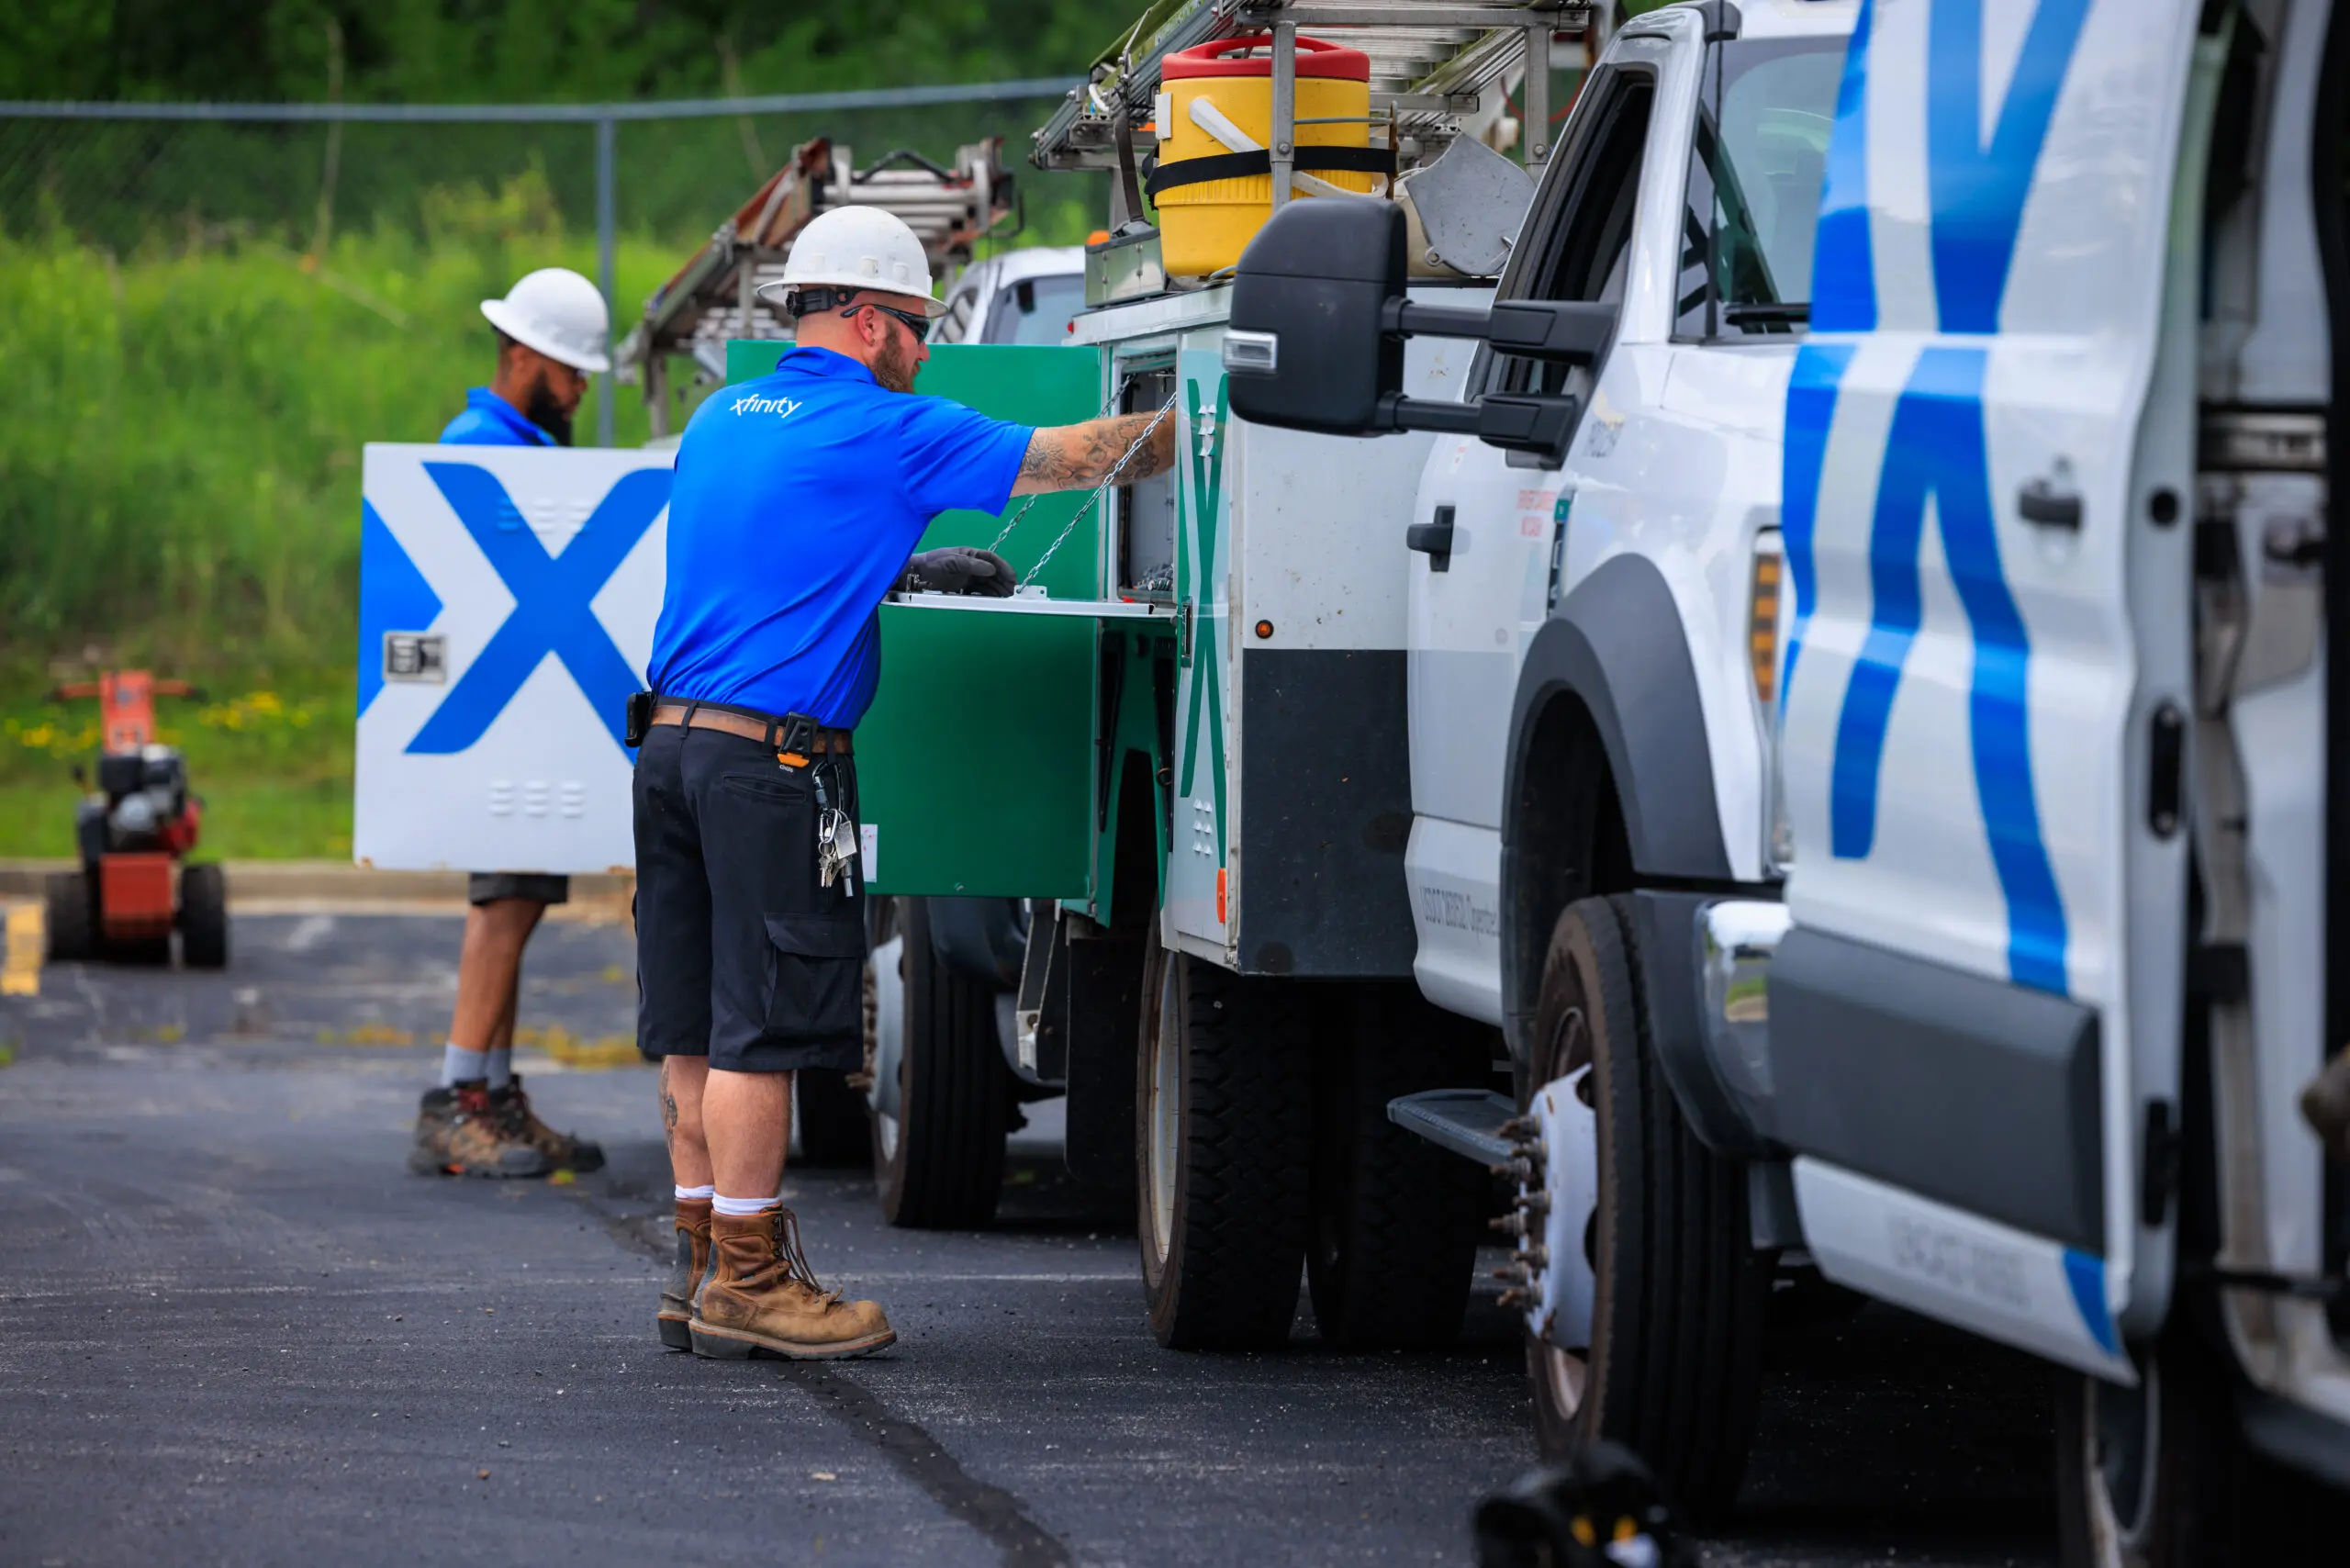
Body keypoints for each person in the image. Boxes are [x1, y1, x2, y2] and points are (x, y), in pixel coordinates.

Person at [638, 206, 1176, 1360]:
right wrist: (1209, 417)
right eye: (919, 329)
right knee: (760, 1032)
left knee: (691, 1029)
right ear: (872, 322)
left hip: (673, 750)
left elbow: (779, 552)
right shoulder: (893, 430)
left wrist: (885, 563)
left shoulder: (721, 419)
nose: (926, 351)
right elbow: (1082, 457)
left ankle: (693, 1270)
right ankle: (750, 1279)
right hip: (768, 763)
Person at [408, 267, 612, 1181]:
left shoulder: (515, 441)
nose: (579, 390)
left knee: (518, 904)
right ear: (523, 355)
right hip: (506, 719)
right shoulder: (478, 446)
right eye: (571, 371)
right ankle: (456, 1101)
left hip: (525, 716)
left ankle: (488, 1091)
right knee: (500, 907)